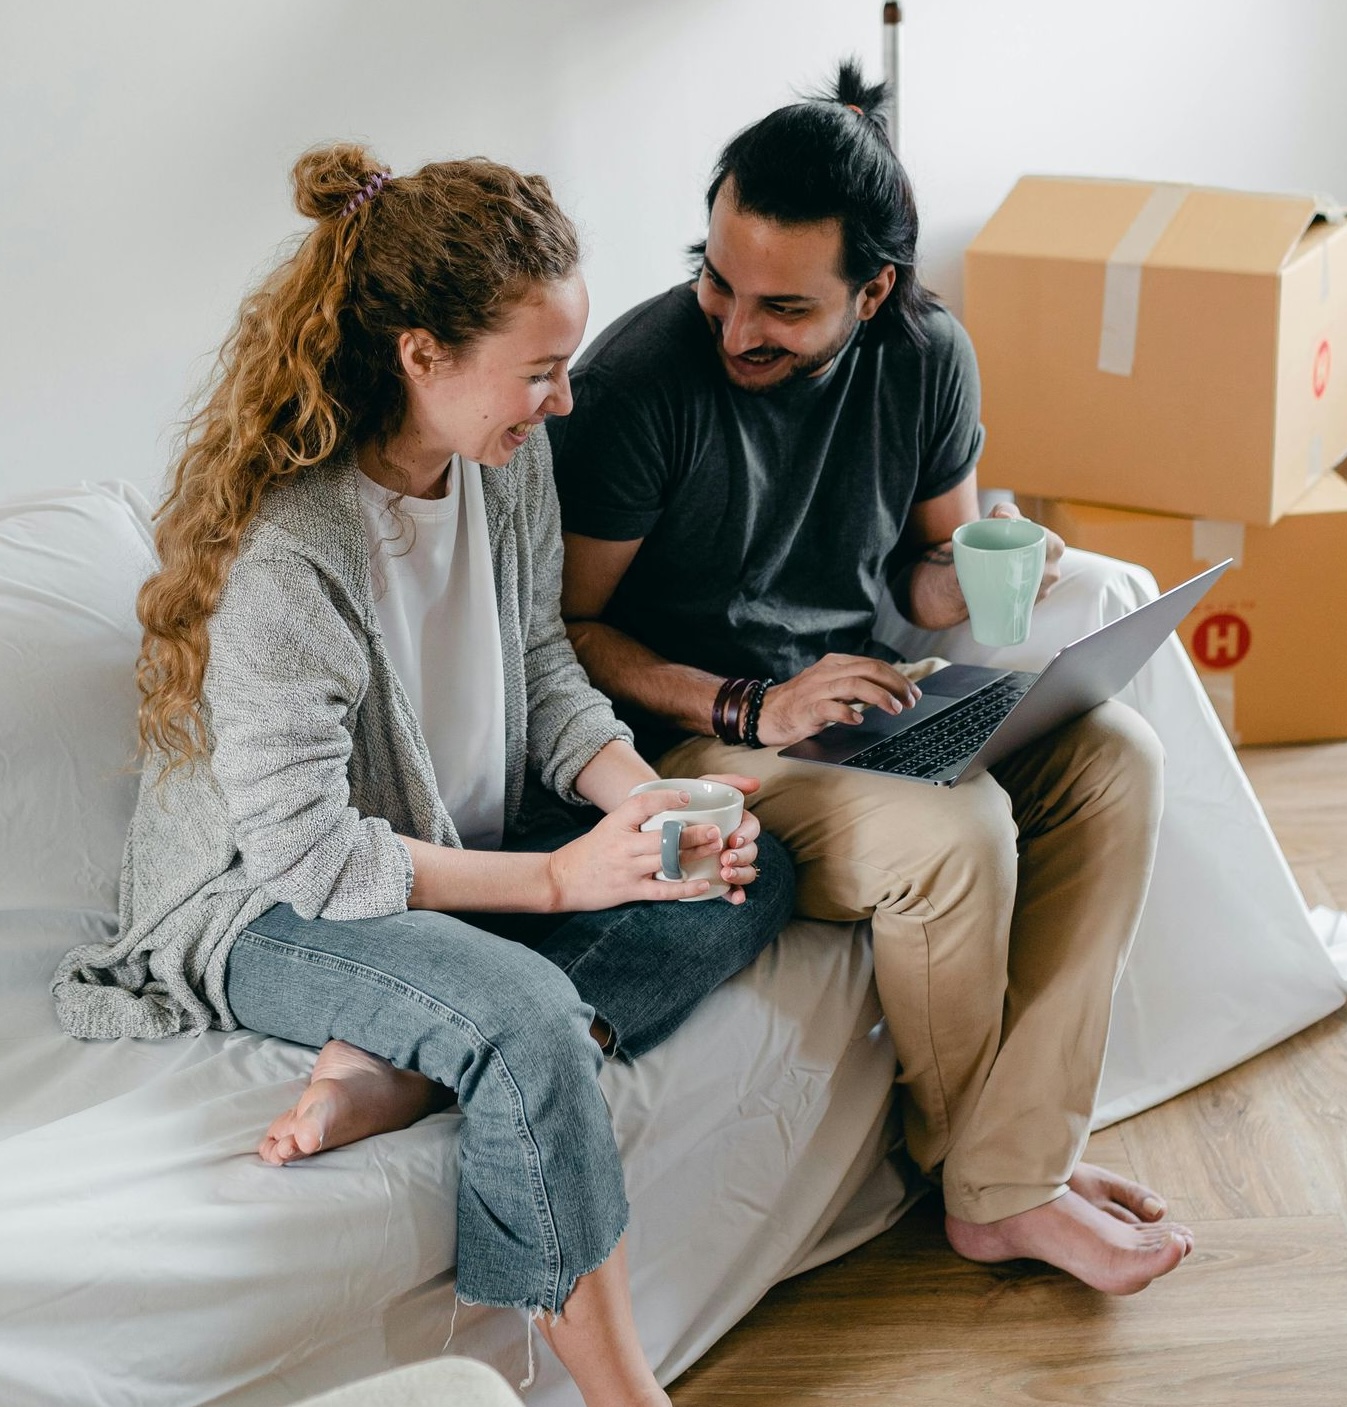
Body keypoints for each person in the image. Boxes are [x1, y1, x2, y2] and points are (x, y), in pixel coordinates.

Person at [51, 144, 794, 1407]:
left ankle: (402, 1060)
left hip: (440, 848)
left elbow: (546, 663)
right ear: (422, 357)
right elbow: (312, 857)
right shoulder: (287, 551)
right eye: (541, 373)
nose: (563, 401)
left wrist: (634, 800)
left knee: (741, 864)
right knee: (527, 1017)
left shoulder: (500, 466)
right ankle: (619, 1387)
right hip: (267, 905)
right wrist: (562, 881)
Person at [549, 62, 1195, 1297]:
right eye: (716, 279)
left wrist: (1003, 568)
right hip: (689, 738)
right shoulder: (638, 384)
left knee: (1118, 762)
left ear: (875, 289)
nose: (735, 328)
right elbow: (570, 629)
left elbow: (924, 570)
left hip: (858, 705)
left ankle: (1020, 1166)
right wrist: (753, 706)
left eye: (782, 307)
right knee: (957, 841)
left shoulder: (926, 356)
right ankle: (997, 1186)